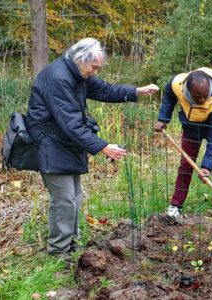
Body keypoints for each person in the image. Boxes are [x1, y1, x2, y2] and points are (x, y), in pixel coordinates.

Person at [26, 38, 159, 261]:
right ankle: (59, 252)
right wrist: (103, 147)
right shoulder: (58, 79)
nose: (95, 72)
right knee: (64, 199)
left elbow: (107, 90)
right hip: (51, 144)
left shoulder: (79, 74)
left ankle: (73, 244)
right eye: (94, 67)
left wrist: (137, 91)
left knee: (75, 197)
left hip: (66, 144)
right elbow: (71, 124)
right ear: (81, 59)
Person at [154, 67, 212, 222]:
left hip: (211, 128)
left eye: (204, 95)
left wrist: (206, 166)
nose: (202, 100)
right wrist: (163, 118)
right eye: (197, 97)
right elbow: (169, 96)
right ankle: (176, 206)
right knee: (186, 166)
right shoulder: (177, 85)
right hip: (190, 129)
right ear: (187, 89)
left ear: (209, 86)